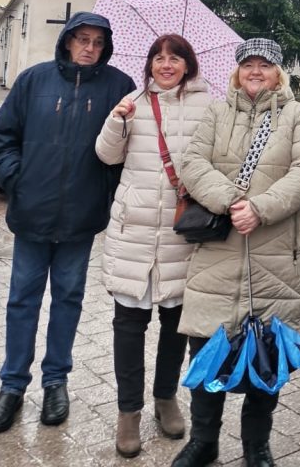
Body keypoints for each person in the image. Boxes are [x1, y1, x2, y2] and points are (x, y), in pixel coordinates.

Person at [170, 38, 300, 467]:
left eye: (266, 65)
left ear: (279, 73)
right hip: (219, 250)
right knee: (207, 348)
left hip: (277, 255)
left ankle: (257, 446)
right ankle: (204, 440)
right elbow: (193, 162)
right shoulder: (217, 113)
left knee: (267, 353)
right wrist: (231, 201)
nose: (256, 71)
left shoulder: (298, 115)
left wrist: (260, 208)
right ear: (236, 72)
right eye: (248, 64)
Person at [0, 12, 135, 434]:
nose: (89, 47)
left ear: (106, 46)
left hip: (81, 218)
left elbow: (126, 153)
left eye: (97, 42)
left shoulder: (120, 87)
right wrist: (17, 179)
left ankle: (56, 383)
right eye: (82, 39)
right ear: (67, 40)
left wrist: (105, 190)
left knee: (68, 299)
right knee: (22, 301)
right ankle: (12, 386)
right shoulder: (34, 81)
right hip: (32, 213)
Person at [95, 34, 212, 458]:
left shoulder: (208, 105)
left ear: (187, 64)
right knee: (128, 324)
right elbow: (107, 156)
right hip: (135, 230)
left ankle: (166, 398)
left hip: (183, 231)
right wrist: (117, 121)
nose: (166, 65)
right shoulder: (133, 101)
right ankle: (128, 411)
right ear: (149, 64)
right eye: (159, 58)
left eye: (174, 58)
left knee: (175, 323)